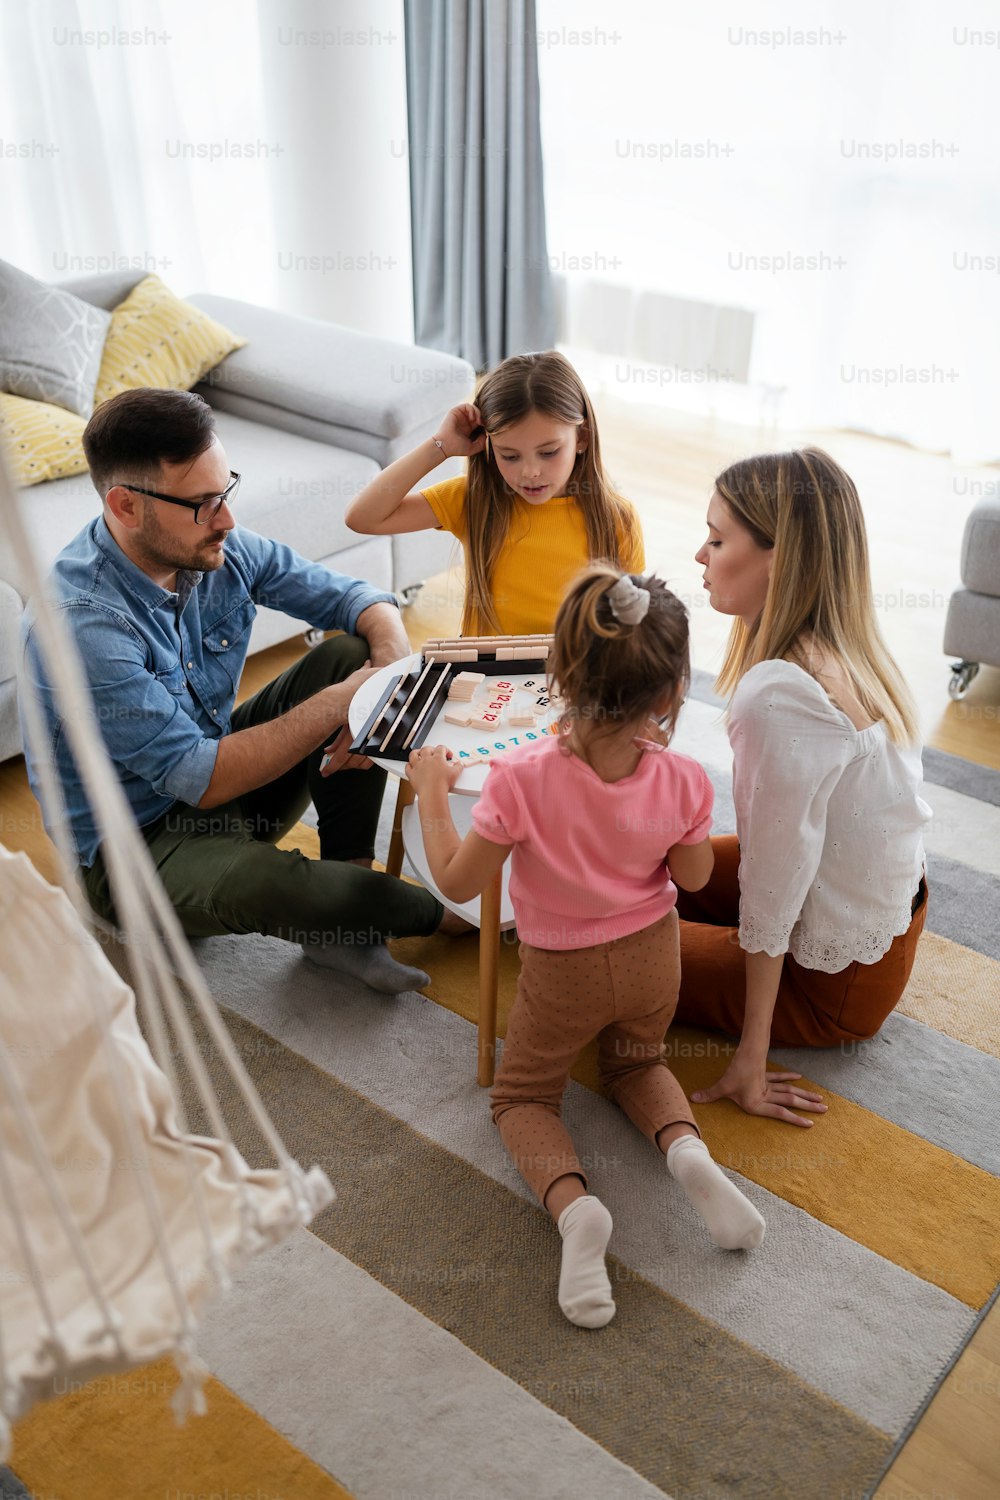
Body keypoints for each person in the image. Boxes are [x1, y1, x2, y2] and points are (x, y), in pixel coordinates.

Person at [405, 564, 766, 1330]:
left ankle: (577, 1213)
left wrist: (434, 793)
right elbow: (694, 873)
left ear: (559, 672)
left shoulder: (518, 782)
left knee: (523, 1097)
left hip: (562, 970)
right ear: (671, 693)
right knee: (639, 1062)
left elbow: (457, 883)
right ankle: (689, 1157)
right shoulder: (686, 778)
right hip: (651, 956)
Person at [20, 386, 462, 995]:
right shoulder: (82, 624)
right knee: (280, 884)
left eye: (225, 490)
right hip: (132, 853)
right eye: (203, 504)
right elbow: (201, 780)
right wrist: (344, 702)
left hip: (220, 783)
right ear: (124, 506)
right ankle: (450, 916)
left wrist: (385, 672)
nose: (226, 518)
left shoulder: (212, 544)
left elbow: (357, 600)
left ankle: (347, 915)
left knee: (353, 654)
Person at [677, 447, 931, 1124]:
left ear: (777, 558)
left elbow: (773, 886)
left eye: (717, 538)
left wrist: (750, 1058)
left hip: (836, 982)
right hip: (868, 912)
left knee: (598, 940)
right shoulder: (845, 641)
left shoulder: (779, 695)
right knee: (642, 854)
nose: (700, 555)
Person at [344, 350, 644, 635]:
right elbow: (363, 518)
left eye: (549, 452)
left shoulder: (616, 517)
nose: (530, 472)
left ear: (582, 438)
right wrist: (441, 446)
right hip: (487, 675)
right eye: (510, 456)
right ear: (488, 446)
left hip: (575, 675)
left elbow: (633, 619)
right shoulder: (472, 499)